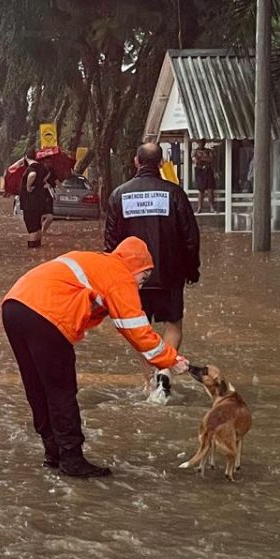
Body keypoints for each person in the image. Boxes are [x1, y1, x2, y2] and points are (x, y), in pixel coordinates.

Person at [1, 237, 189, 477]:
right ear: (136, 266)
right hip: (46, 314)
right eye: (144, 277)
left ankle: (53, 452)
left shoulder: (98, 263)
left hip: (14, 306)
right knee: (61, 390)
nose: (141, 285)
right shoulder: (119, 275)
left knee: (37, 386)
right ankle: (71, 458)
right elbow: (137, 330)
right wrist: (171, 360)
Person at [105, 142, 201, 402]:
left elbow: (110, 244)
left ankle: (150, 384)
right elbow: (190, 237)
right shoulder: (175, 194)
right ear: (160, 163)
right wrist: (192, 269)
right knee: (173, 323)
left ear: (136, 162)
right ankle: (164, 374)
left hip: (133, 277)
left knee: (140, 329)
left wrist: (112, 280)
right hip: (170, 274)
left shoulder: (119, 195)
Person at [18, 150, 48, 249]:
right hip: (39, 200)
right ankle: (38, 247)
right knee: (37, 224)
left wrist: (28, 186)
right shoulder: (41, 167)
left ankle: (32, 249)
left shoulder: (32, 168)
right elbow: (45, 177)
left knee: (31, 226)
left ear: (26, 157)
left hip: (30, 201)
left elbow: (32, 175)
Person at [192, 140, 216, 213]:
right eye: (200, 142)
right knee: (201, 190)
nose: (201, 144)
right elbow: (195, 160)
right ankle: (199, 208)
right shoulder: (195, 151)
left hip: (208, 170)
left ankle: (212, 207)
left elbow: (211, 160)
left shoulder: (208, 151)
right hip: (199, 171)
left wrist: (202, 159)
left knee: (210, 189)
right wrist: (205, 159)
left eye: (202, 142)